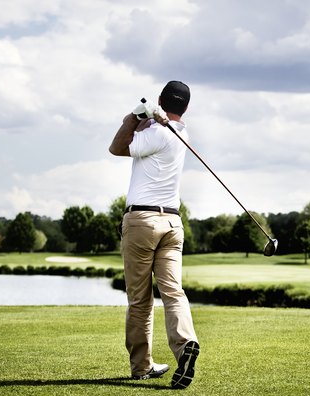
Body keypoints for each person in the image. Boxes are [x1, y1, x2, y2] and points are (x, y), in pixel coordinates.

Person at [109, 80, 199, 390]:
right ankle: (186, 343)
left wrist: (134, 115)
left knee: (140, 300)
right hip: (172, 224)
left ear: (161, 99)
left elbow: (117, 147)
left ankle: (141, 367)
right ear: (185, 108)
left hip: (142, 221)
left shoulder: (156, 133)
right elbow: (157, 126)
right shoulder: (180, 134)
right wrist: (153, 115)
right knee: (173, 291)